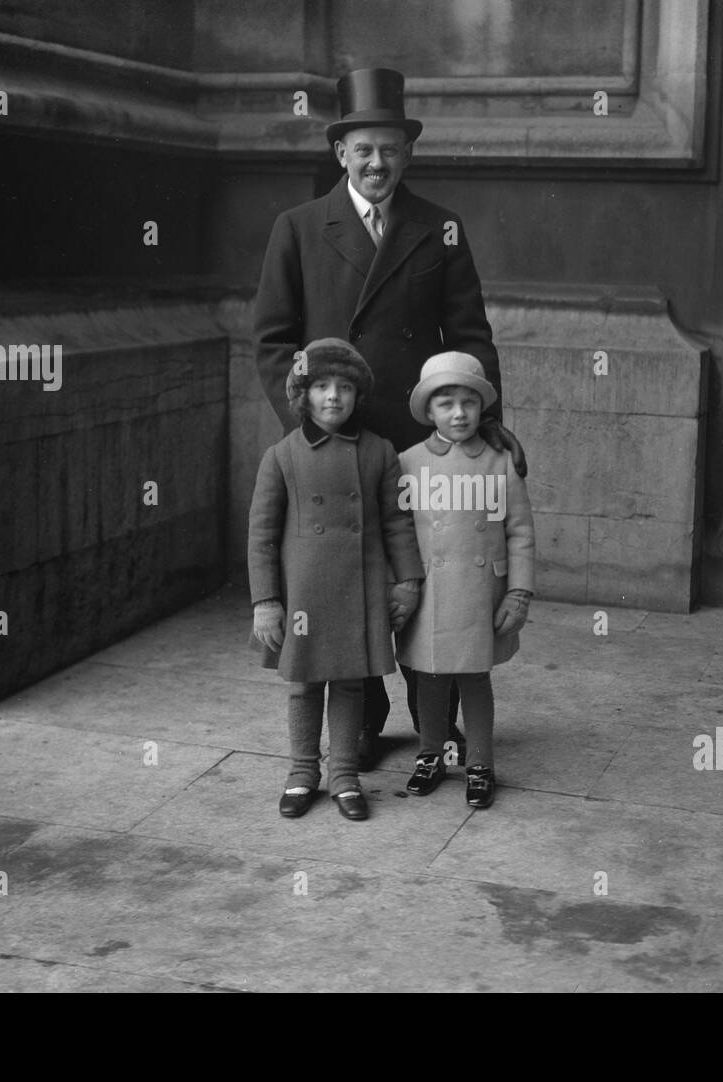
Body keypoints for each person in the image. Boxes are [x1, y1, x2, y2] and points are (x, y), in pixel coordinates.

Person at [252, 67, 527, 770]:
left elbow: (470, 332)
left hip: (415, 439)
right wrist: (309, 419)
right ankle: (364, 719)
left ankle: (435, 717)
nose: (378, 164)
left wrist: (480, 409)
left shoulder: (440, 228)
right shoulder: (299, 228)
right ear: (340, 152)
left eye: (391, 151)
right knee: (345, 575)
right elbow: (273, 341)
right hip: (334, 435)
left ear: (408, 154)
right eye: (364, 150)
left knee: (421, 576)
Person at [247, 338, 425, 821]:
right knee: (304, 684)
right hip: (303, 594)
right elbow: (261, 536)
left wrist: (407, 581)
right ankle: (302, 771)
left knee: (349, 684)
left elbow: (396, 523)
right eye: (321, 386)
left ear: (357, 396)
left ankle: (345, 775)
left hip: (358, 588)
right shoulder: (281, 457)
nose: (332, 397)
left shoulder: (378, 453)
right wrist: (266, 600)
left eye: (344, 387)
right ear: (302, 396)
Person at [395, 352, 534, 809]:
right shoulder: (408, 463)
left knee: (475, 679)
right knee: (429, 678)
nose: (458, 413)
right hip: (431, 591)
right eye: (446, 403)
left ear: (482, 408)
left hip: (481, 593)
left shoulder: (499, 462)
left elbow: (519, 531)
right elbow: (397, 533)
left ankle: (480, 763)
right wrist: (400, 585)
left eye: (469, 402)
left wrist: (518, 591)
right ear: (429, 411)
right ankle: (431, 754)